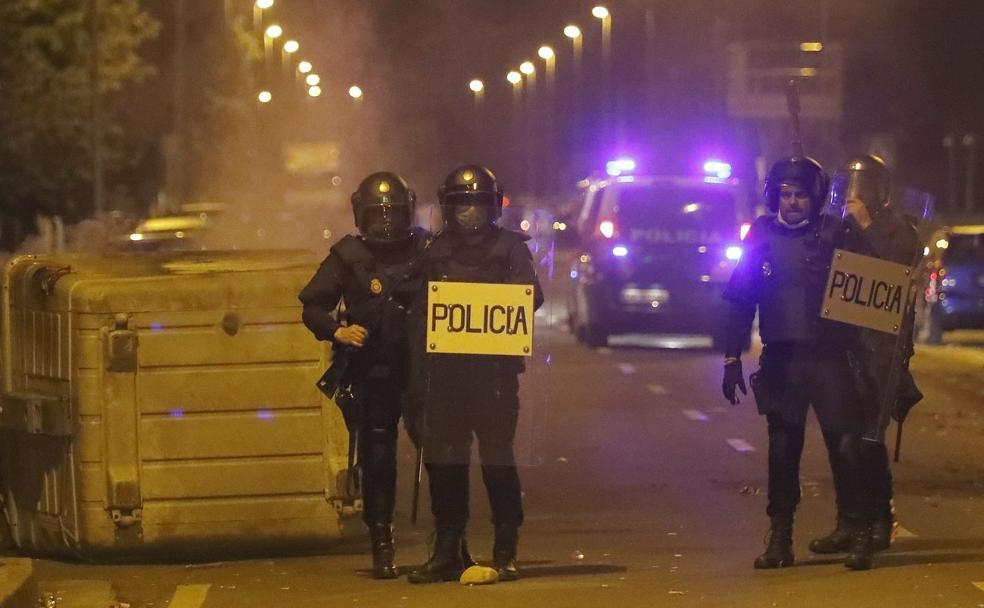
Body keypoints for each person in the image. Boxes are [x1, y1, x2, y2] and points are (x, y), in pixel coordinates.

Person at [720, 156, 877, 571]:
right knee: (783, 451)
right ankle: (781, 539)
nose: (792, 203)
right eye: (785, 195)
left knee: (846, 448)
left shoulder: (837, 233)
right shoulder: (760, 235)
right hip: (783, 360)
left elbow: (874, 286)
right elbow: (740, 299)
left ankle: (858, 532)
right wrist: (732, 356)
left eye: (801, 195)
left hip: (831, 358)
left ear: (816, 198)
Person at [407, 165, 543, 584]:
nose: (469, 212)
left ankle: (505, 548)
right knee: (446, 463)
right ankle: (449, 548)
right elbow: (413, 300)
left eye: (476, 203)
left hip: (495, 378)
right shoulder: (435, 250)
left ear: (492, 206)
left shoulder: (511, 249)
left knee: (497, 460)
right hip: (447, 377)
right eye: (461, 204)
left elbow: (530, 296)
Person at [298, 172, 429, 579]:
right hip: (375, 370)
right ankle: (381, 540)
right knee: (378, 460)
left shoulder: (428, 249)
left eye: (394, 215)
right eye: (378, 216)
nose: (387, 224)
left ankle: (450, 541)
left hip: (423, 369)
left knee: (442, 456)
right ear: (360, 216)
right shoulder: (347, 255)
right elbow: (313, 306)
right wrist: (337, 331)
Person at [808, 154, 922, 557]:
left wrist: (864, 228)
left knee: (867, 441)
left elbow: (894, 274)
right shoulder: (835, 228)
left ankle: (877, 520)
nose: (853, 195)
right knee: (841, 440)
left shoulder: (898, 232)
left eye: (862, 186)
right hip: (843, 346)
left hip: (881, 351)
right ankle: (849, 521)